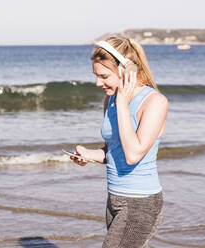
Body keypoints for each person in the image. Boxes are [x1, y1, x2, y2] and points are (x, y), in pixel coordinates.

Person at [70, 37, 168, 248]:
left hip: (140, 203)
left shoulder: (154, 102)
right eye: (96, 76)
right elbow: (114, 150)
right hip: (114, 199)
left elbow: (133, 155)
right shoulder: (111, 100)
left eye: (104, 76)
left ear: (127, 70)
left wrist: (122, 102)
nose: (98, 83)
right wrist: (88, 154)